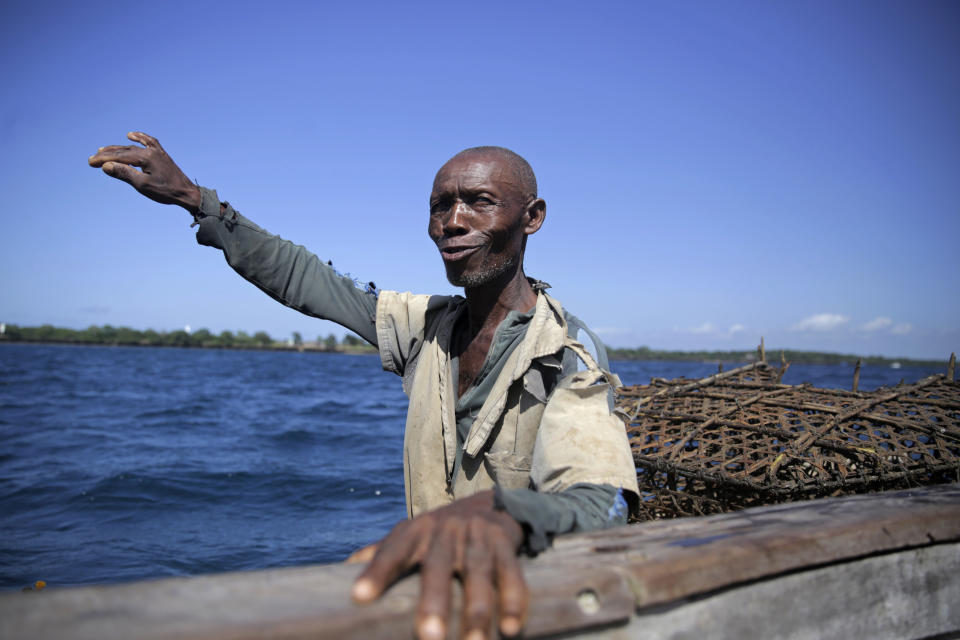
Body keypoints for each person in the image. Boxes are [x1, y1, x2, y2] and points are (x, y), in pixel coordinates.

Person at [89, 132, 639, 640]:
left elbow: (604, 501)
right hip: (431, 600)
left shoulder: (565, 352)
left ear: (532, 217)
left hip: (522, 605)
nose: (452, 221)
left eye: (479, 201)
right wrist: (194, 199)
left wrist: (506, 513)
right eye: (439, 205)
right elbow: (307, 279)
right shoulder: (424, 325)